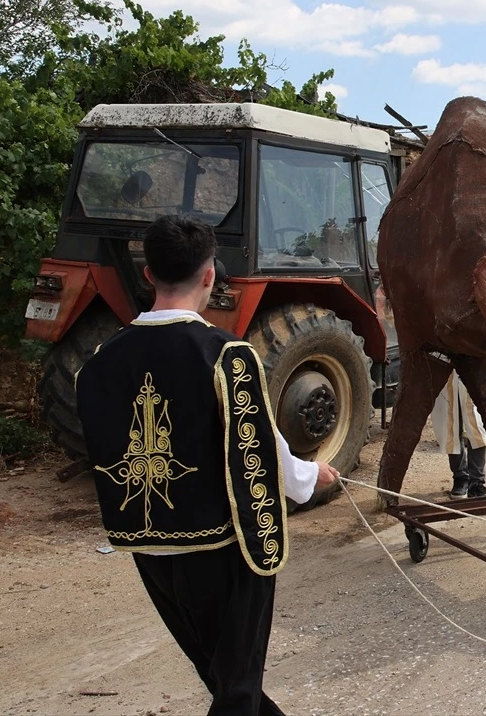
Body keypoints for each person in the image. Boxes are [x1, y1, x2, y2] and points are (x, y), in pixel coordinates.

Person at [75, 215, 339, 716]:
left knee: (222, 676)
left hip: (149, 547)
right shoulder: (226, 356)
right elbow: (258, 449)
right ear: (211, 275)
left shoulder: (100, 362)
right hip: (224, 546)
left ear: (148, 274)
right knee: (236, 687)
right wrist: (311, 476)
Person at [431, 372, 486, 498]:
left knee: (477, 428)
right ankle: (460, 477)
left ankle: (477, 482)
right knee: (449, 427)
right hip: (445, 373)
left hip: (472, 370)